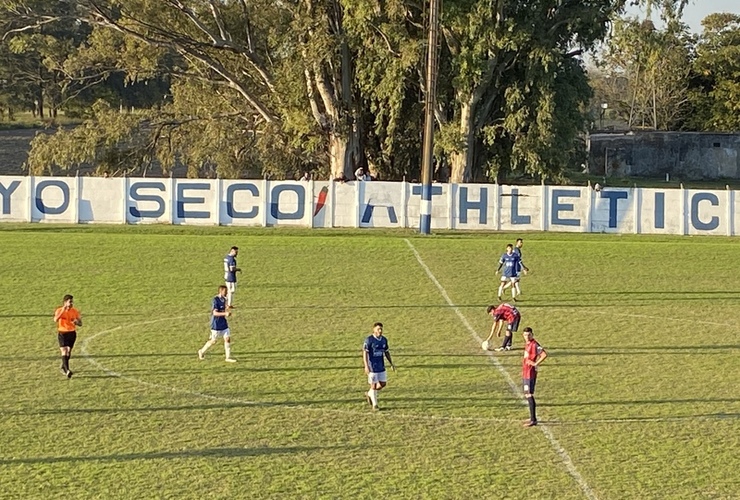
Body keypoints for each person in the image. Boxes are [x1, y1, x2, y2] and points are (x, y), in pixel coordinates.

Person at [198, 285, 237, 362]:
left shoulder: (224, 299)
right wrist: (225, 314)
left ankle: (228, 357)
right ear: (221, 291)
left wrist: (228, 307)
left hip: (223, 323)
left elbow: (223, 306)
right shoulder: (215, 300)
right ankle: (201, 351)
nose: (226, 293)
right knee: (213, 341)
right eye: (225, 292)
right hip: (216, 324)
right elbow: (215, 313)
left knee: (227, 338)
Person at [362, 322, 395, 410]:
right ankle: (375, 405)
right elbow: (365, 353)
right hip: (372, 366)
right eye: (378, 329)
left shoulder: (384, 340)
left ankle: (369, 393)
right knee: (373, 385)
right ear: (374, 330)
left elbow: (386, 352)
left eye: (381, 329)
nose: (380, 331)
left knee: (382, 384)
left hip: (381, 366)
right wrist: (366, 365)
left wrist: (391, 363)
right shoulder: (369, 340)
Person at [522, 327, 547, 427]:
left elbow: (544, 354)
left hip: (529, 373)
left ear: (532, 334)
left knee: (529, 395)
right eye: (525, 335)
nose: (527, 337)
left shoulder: (534, 344)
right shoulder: (528, 344)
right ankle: (532, 418)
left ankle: (533, 420)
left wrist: (535, 363)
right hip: (526, 372)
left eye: (528, 335)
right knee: (527, 394)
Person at [53, 294, 82, 378]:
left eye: (72, 301)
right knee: (64, 351)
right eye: (70, 301)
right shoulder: (59, 310)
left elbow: (80, 323)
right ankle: (67, 370)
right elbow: (55, 319)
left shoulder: (75, 311)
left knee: (69, 351)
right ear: (65, 302)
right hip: (62, 333)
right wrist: (63, 310)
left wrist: (77, 322)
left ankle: (63, 366)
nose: (72, 303)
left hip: (72, 333)